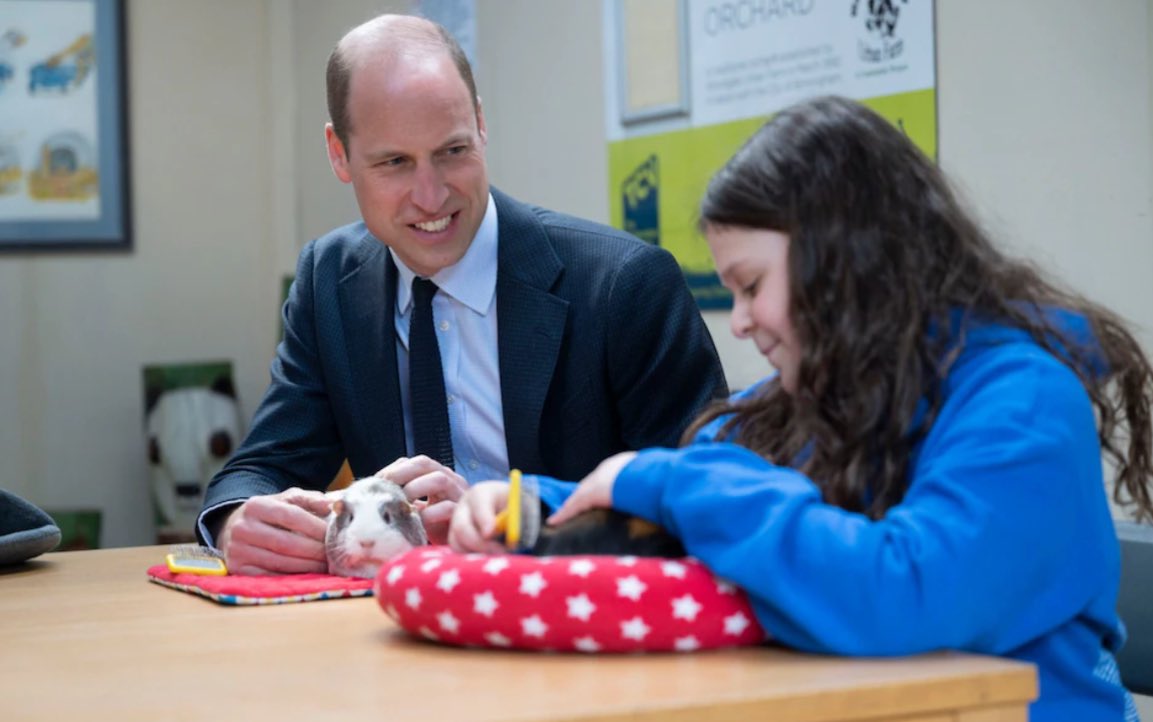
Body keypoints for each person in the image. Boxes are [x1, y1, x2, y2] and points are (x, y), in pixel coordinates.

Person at [449, 96, 1153, 721]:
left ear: (845, 260)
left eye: (751, 286)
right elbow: (674, 497)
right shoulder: (798, 402)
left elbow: (904, 593)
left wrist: (658, 481)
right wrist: (524, 508)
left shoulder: (1022, 404)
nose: (742, 321)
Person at [195, 14, 727, 574]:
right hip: (400, 633)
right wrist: (236, 522)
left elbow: (706, 499)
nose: (431, 196)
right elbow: (261, 468)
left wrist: (516, 521)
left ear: (479, 123)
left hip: (578, 630)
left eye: (452, 151)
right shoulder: (328, 281)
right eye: (395, 162)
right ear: (338, 154)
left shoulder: (626, 284)